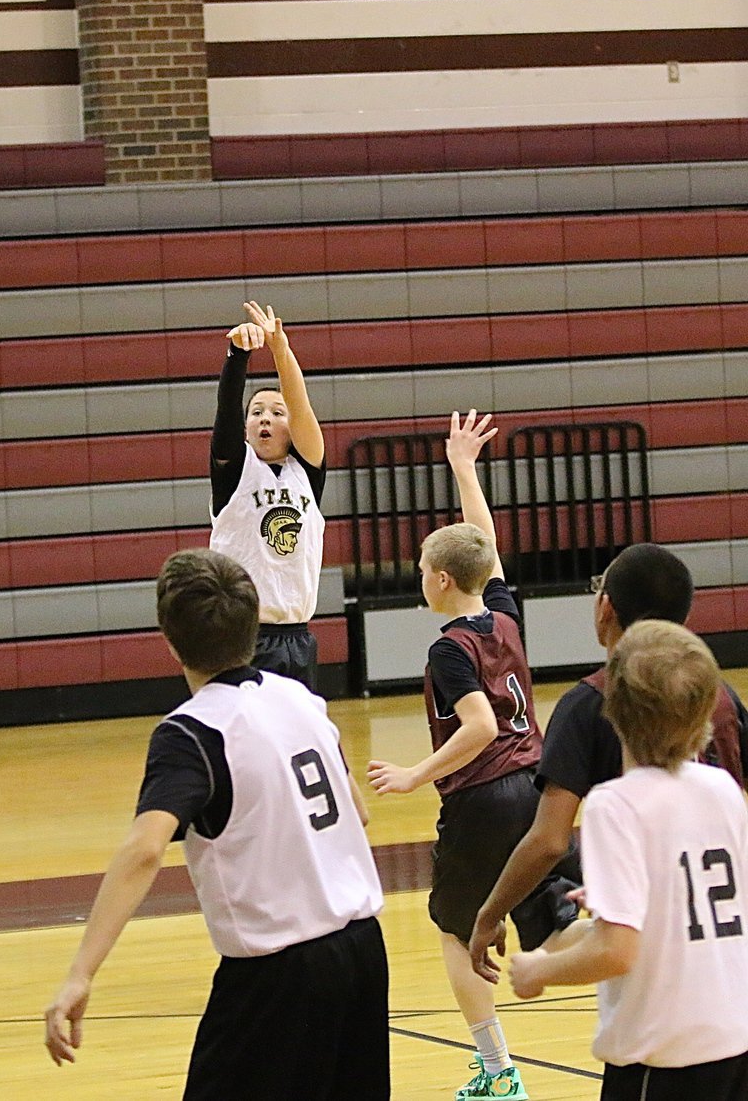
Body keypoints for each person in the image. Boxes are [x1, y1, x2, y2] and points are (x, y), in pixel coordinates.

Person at [44, 548, 389, 1101]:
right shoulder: (301, 697)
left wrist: (80, 972)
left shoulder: (192, 734)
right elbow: (360, 811)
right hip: (363, 952)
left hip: (277, 978)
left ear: (169, 637)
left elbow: (145, 851)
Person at [366, 410, 578, 1101]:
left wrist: (415, 774)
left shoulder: (447, 647)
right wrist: (463, 468)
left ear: (439, 582)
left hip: (483, 796)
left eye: (425, 568)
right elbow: (483, 548)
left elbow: (481, 725)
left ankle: (497, 1072)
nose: (420, 575)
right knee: (554, 910)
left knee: (455, 932)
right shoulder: (505, 617)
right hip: (538, 786)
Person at [468, 543, 748, 982]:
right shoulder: (723, 697)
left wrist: (489, 913)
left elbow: (548, 841)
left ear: (605, 608)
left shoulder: (589, 704)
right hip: (724, 934)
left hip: (648, 962)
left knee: (538, 885)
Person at [510, 620, 748, 1101]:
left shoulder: (614, 804)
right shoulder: (722, 789)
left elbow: (616, 952)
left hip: (663, 1052)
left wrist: (538, 969)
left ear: (613, 709)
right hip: (735, 1035)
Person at [210, 299, 326, 690]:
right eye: (257, 411)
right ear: (246, 429)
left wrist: (281, 349)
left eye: (277, 412)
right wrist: (238, 355)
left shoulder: (306, 472)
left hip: (298, 638)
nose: (265, 417)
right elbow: (226, 413)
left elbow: (302, 406)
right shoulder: (235, 471)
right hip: (244, 637)